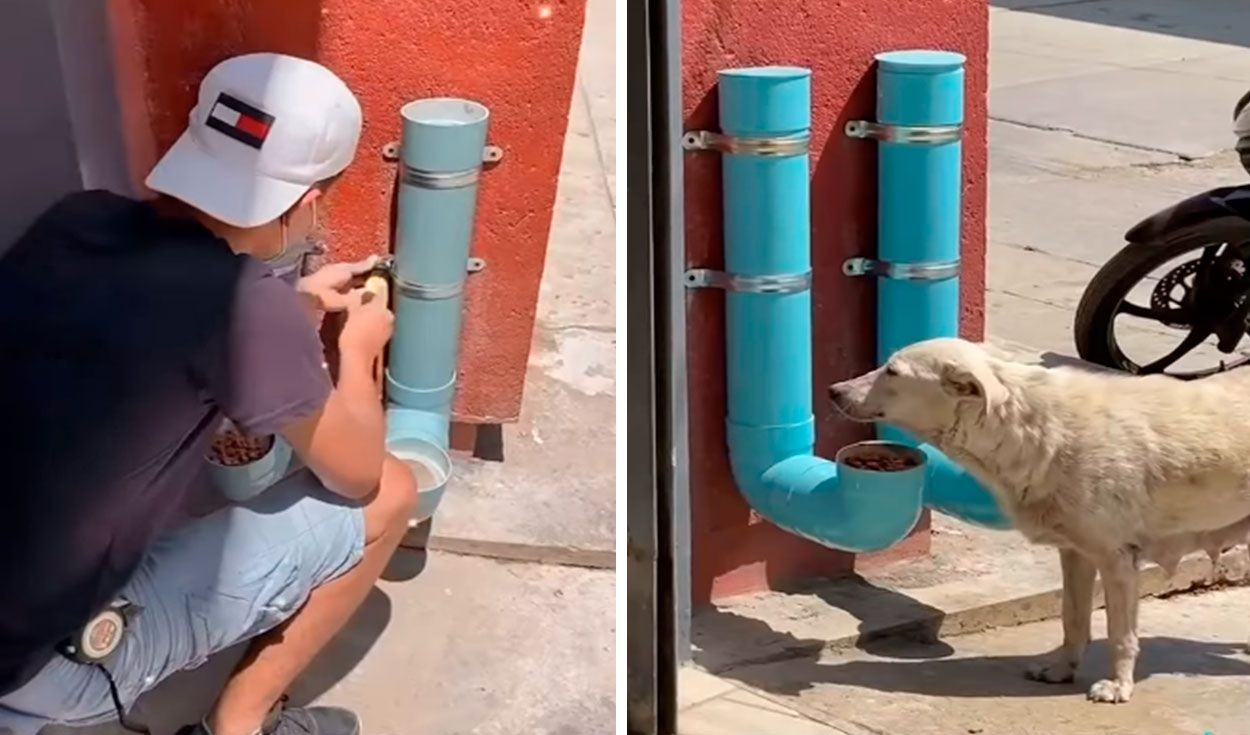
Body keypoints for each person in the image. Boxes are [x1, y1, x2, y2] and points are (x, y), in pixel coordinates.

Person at [0, 53, 415, 735]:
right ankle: (242, 723)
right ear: (309, 201)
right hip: (39, 669)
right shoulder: (247, 310)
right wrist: (357, 352)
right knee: (393, 492)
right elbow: (357, 471)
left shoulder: (76, 220)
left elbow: (152, 323)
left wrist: (289, 306)